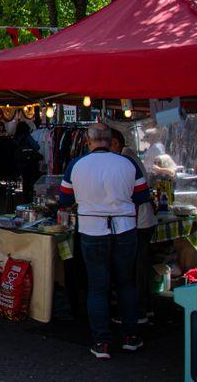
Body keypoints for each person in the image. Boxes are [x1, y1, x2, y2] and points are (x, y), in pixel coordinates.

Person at [58, 123, 150, 359]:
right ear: (110, 141)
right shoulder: (127, 164)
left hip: (91, 229)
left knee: (97, 287)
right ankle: (131, 336)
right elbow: (142, 196)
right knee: (126, 283)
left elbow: (65, 200)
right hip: (125, 228)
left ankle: (102, 342)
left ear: (88, 141)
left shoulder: (76, 165)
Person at [111, 129, 156, 323]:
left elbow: (139, 194)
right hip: (140, 221)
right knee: (140, 267)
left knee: (133, 269)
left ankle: (136, 311)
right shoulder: (129, 158)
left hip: (137, 222)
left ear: (114, 143)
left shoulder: (126, 160)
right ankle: (143, 307)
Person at [14, 121, 43, 202]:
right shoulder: (27, 137)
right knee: (30, 179)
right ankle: (29, 196)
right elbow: (36, 147)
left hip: (20, 162)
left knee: (25, 180)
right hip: (30, 162)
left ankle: (25, 195)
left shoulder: (16, 137)